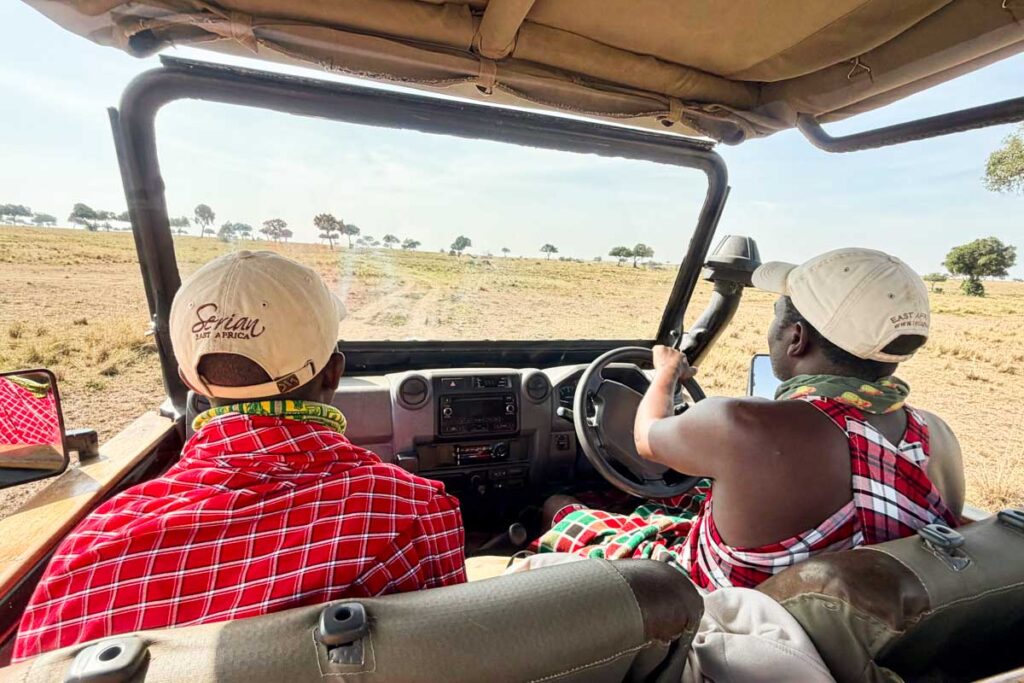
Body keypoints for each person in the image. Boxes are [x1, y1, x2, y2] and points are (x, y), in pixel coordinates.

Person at [14, 251, 466, 660]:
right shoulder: (414, 510)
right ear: (334, 373)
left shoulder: (87, 554)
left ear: (190, 382)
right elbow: (455, 654)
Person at [538, 247, 964, 591]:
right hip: (837, 626)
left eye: (778, 313)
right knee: (683, 499)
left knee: (564, 509)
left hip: (711, 605)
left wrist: (666, 373)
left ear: (796, 338)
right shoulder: (938, 435)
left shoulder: (741, 423)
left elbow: (647, 439)